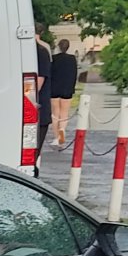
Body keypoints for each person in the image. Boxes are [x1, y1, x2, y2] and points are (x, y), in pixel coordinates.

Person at [49, 38, 78, 148]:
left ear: (59, 47)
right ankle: (61, 136)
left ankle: (56, 137)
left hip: (55, 88)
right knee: (64, 114)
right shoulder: (72, 59)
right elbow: (74, 74)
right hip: (67, 88)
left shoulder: (54, 59)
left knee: (55, 114)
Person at [33, 23, 52, 176]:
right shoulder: (42, 50)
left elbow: (37, 85)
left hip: (38, 110)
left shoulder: (40, 52)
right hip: (37, 110)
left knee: (32, 156)